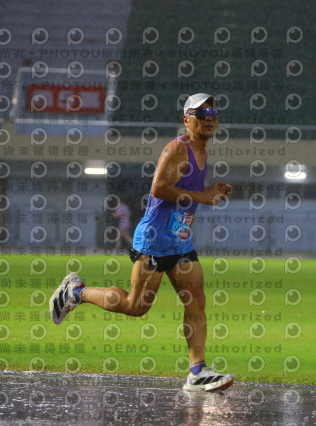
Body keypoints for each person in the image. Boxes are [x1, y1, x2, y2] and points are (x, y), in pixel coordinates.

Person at [49, 93, 234, 392]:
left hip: (179, 240)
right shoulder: (178, 148)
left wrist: (211, 189)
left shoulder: (202, 152)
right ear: (186, 120)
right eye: (201, 113)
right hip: (155, 239)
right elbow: (159, 188)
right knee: (135, 306)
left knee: (196, 301)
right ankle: (76, 292)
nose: (209, 118)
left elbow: (184, 191)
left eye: (213, 113)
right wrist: (203, 196)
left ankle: (197, 371)